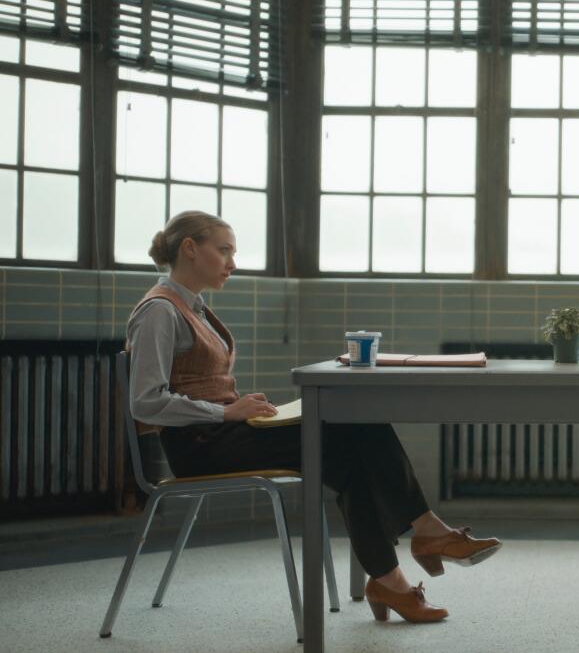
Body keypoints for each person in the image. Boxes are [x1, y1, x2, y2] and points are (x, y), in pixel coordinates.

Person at [126, 210, 500, 624]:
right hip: (200, 447)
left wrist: (236, 407)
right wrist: (227, 410)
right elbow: (145, 402)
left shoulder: (192, 307)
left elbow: (198, 381)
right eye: (225, 251)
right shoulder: (159, 311)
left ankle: (390, 580)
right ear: (190, 249)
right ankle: (425, 533)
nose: (233, 262)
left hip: (223, 432)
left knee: (350, 448)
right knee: (353, 428)